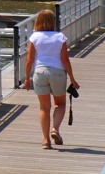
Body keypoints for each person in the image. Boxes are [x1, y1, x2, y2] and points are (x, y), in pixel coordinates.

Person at [23, 9, 79, 150]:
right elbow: (65, 60)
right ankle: (55, 129)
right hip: (57, 73)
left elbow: (29, 60)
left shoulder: (35, 37)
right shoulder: (60, 37)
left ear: (38, 21)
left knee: (44, 107)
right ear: (53, 22)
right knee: (60, 104)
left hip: (40, 72)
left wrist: (27, 78)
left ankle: (46, 140)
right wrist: (72, 79)